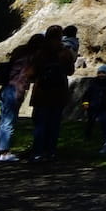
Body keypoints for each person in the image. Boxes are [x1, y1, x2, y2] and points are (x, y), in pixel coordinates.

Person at [27, 26, 71, 161]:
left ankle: (38, 151)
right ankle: (51, 151)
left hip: (42, 92)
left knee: (40, 124)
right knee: (54, 124)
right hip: (59, 92)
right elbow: (70, 71)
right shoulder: (65, 53)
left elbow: (31, 73)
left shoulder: (41, 53)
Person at [0, 38, 36, 163]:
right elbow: (29, 75)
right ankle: (5, 152)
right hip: (15, 90)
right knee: (9, 121)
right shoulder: (29, 60)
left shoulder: (17, 57)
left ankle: (1, 150)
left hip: (5, 88)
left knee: (4, 121)